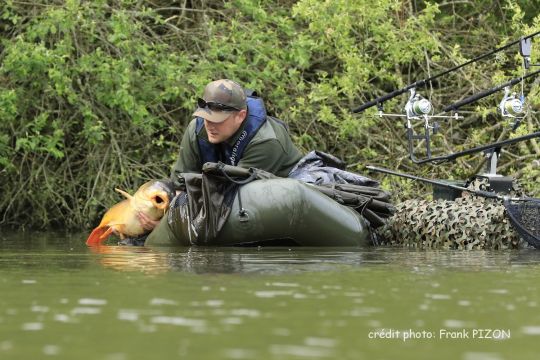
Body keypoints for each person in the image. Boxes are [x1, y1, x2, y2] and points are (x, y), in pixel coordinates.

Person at [139, 79, 303, 230]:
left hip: (271, 203)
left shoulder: (266, 141)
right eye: (205, 117)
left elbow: (232, 202)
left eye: (217, 120)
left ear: (240, 116)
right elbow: (180, 188)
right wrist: (167, 222)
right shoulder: (197, 130)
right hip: (221, 195)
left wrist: (167, 228)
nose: (209, 125)